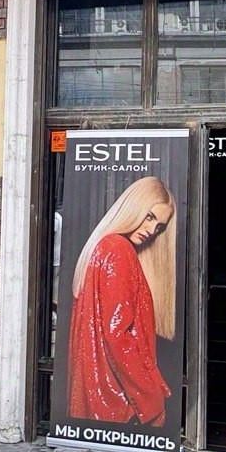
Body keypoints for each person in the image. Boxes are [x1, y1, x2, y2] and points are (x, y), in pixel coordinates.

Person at [67, 176, 176, 427]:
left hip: (97, 395)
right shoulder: (118, 250)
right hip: (117, 401)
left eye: (159, 227)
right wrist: (151, 394)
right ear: (133, 207)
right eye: (149, 217)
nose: (152, 230)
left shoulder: (104, 246)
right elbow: (117, 335)